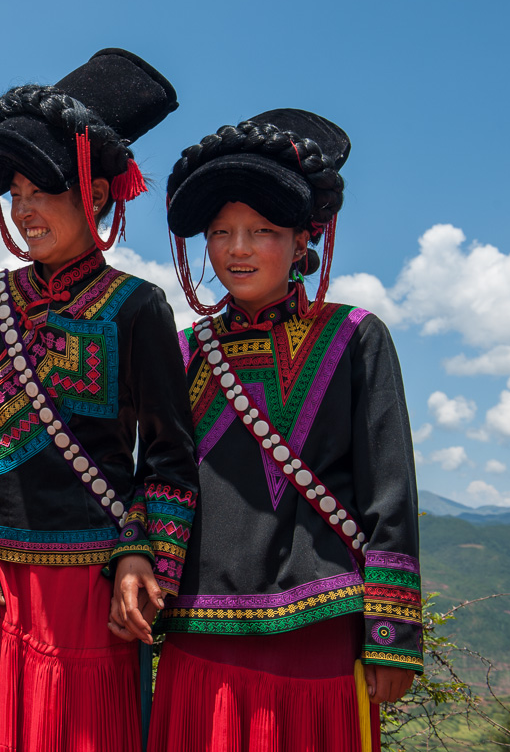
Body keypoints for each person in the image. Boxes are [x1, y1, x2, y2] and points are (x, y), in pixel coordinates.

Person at [0, 48, 199, 752]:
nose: (25, 209)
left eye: (42, 189)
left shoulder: (139, 309)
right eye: (15, 192)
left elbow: (169, 459)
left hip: (93, 591)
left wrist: (142, 557)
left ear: (97, 195)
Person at [149, 109, 423, 752]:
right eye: (221, 232)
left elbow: (391, 491)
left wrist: (392, 636)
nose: (237, 249)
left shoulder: (356, 337)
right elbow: (160, 476)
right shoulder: (185, 351)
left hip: (320, 627)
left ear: (304, 241)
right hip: (199, 628)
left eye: (262, 231)